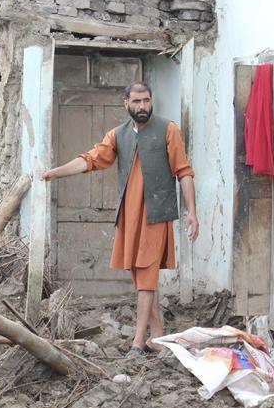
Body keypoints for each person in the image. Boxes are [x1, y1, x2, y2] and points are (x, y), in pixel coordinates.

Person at [42, 82, 198, 354]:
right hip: (128, 215)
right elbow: (90, 160)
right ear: (126, 104)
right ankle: (157, 337)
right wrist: (55, 173)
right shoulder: (117, 135)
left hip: (155, 214)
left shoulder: (168, 130)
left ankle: (137, 342)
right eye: (136, 101)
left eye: (146, 100)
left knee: (146, 277)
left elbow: (184, 171)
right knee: (140, 277)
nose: (142, 106)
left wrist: (192, 213)